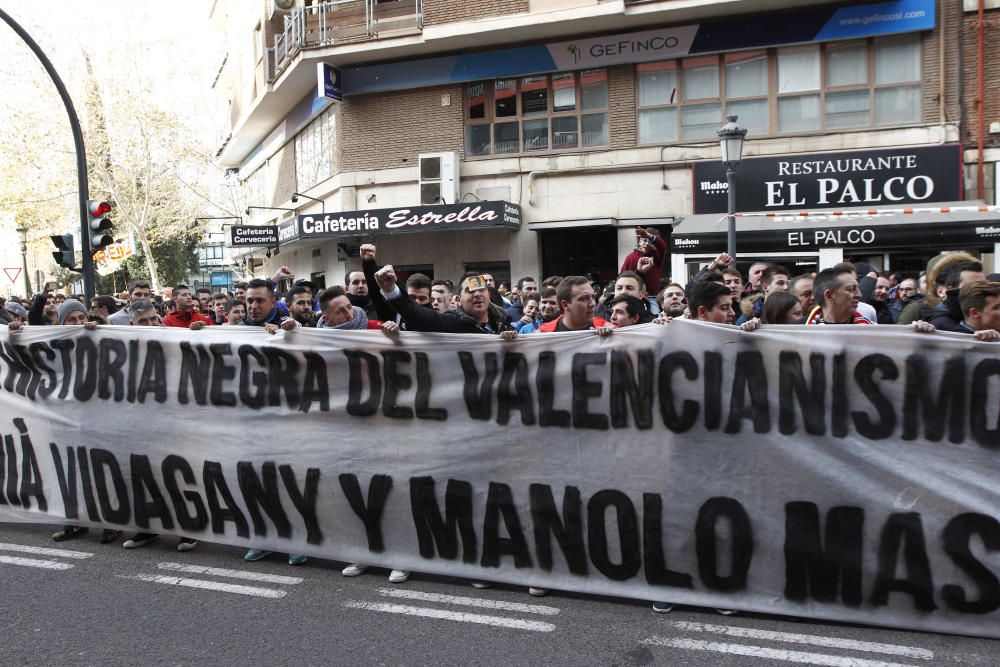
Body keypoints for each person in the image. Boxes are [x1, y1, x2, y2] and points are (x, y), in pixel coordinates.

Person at [620, 227, 667, 314]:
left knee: (654, 317)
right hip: (632, 297)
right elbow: (622, 277)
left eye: (650, 241)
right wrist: (638, 271)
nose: (647, 244)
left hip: (651, 297)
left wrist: (649, 236)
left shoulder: (657, 257)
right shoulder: (631, 257)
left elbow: (662, 246)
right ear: (639, 241)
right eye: (644, 240)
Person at [804, 267, 871, 325]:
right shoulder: (800, 330)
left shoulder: (871, 330)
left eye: (857, 288)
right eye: (851, 289)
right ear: (829, 295)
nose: (859, 295)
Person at [538, 276, 607, 332]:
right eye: (583, 299)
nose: (592, 304)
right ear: (565, 305)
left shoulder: (605, 327)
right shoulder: (544, 333)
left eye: (593, 297)